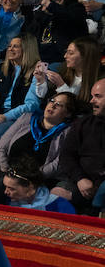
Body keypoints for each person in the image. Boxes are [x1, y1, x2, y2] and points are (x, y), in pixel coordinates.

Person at [51, 78, 105, 214]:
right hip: (79, 180)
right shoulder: (82, 123)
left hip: (100, 188)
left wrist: (78, 195)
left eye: (97, 96)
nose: (92, 101)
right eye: (92, 96)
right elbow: (66, 156)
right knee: (55, 197)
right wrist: (80, 179)